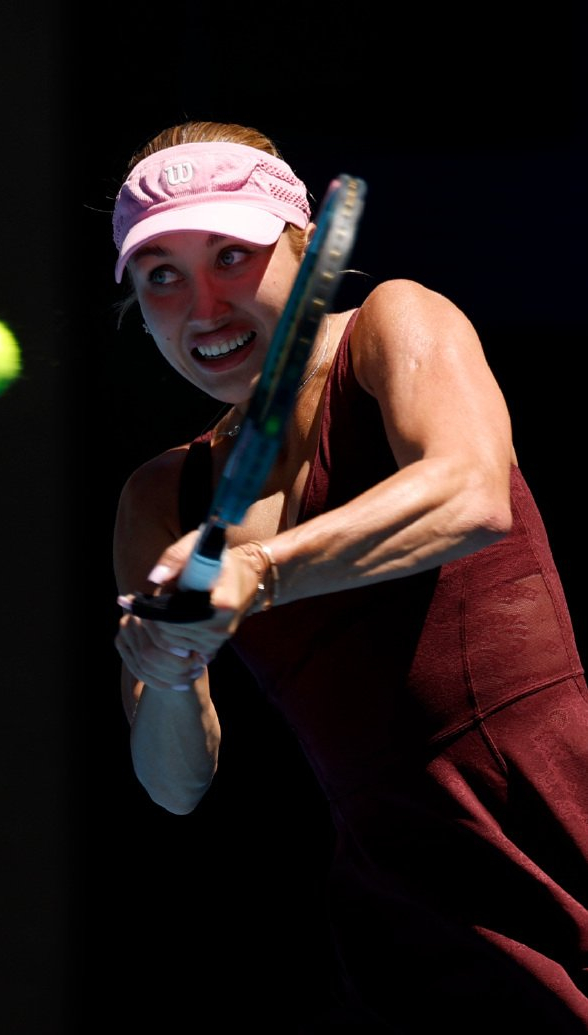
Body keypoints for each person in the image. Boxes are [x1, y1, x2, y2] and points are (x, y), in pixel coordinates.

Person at [110, 120, 588, 1032]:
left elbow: (470, 493)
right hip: (404, 933)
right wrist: (167, 671)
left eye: (231, 255)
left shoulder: (395, 324)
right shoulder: (160, 498)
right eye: (161, 275)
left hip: (564, 831)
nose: (202, 305)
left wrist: (257, 569)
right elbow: (175, 782)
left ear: (303, 247)